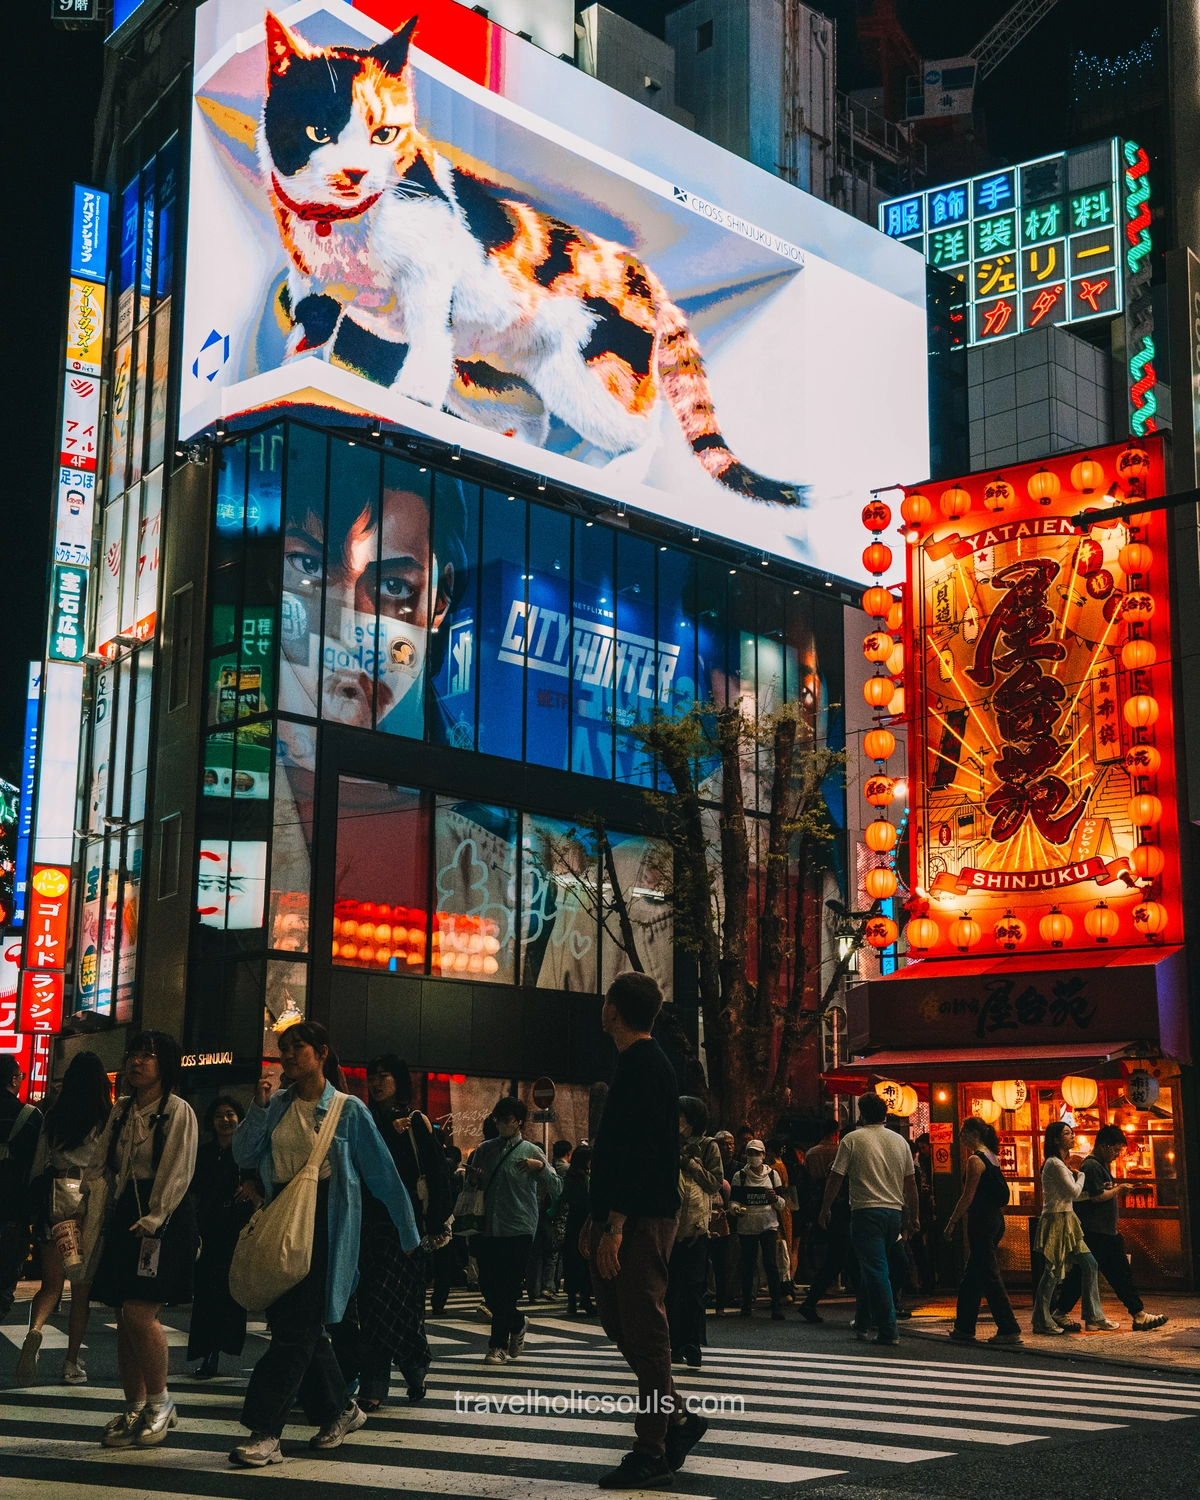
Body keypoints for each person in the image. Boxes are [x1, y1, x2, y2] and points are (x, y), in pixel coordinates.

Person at [230, 1021, 420, 1467]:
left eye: (298, 1047)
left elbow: (383, 1174)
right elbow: (243, 1154)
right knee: (299, 1327)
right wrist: (257, 1108)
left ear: (322, 1054)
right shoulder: (277, 1105)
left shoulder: (348, 1110)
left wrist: (408, 1232)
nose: (288, 1055)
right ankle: (339, 1409)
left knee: (294, 1331)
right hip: (282, 1218)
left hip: (325, 1223)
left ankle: (265, 1431)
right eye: (284, 1048)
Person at [583, 971, 702, 1490]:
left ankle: (651, 1449)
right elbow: (618, 1152)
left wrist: (615, 1223)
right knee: (618, 1322)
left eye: (605, 1001)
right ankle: (679, 1417)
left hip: (642, 1218)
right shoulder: (632, 1062)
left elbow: (640, 1152)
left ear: (613, 1010)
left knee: (646, 1332)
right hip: (620, 1216)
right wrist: (596, 1218)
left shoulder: (649, 1065)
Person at [85, 1032, 199, 1448]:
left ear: (165, 1064)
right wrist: (86, 1201)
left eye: (147, 1056)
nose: (136, 1062)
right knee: (123, 1315)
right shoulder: (121, 1110)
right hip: (127, 1216)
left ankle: (160, 1402)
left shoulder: (177, 1110)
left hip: (163, 1219)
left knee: (138, 1311)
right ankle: (134, 1406)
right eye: (132, 1054)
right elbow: (100, 1164)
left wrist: (155, 1215)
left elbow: (178, 1171)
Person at [13, 1051, 110, 1386]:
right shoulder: (106, 1118)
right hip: (89, 1208)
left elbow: (39, 1165)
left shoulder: (53, 1117)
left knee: (51, 1286)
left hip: (56, 1204)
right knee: (80, 1292)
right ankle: (71, 1363)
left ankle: (35, 1331)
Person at [467, 1095, 561, 1364]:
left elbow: (557, 1187)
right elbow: (471, 1188)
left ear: (519, 1122)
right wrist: (472, 1178)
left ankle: (497, 1346)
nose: (500, 1124)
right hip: (488, 1227)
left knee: (508, 1287)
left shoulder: (530, 1150)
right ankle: (518, 1322)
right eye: (497, 1119)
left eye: (506, 1119)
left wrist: (539, 1167)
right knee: (488, 1285)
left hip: (519, 1227)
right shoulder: (484, 1150)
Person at [818, 1093, 916, 1347]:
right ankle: (862, 1322)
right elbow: (910, 1183)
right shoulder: (900, 1141)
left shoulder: (852, 1139)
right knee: (873, 1267)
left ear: (862, 1114)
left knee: (875, 1269)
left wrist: (825, 1207)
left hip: (865, 1212)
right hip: (893, 1213)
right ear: (885, 1115)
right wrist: (914, 1215)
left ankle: (888, 1329)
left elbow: (836, 1177)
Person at [1051, 1124, 1168, 1333]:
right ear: (1104, 1146)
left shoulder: (1099, 1165)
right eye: (1115, 1150)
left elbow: (1096, 1192)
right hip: (1098, 1231)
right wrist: (1118, 1190)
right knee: (1117, 1273)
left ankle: (1062, 1312)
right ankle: (1137, 1314)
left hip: (1103, 1230)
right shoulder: (1092, 1166)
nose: (1117, 1155)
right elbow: (1096, 1197)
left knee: (1087, 1273)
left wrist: (1112, 1189)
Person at [365, 1054, 454, 1310]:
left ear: (399, 1081)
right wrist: (387, 1132)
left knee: (403, 1299)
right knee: (374, 1299)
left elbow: (436, 1174)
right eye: (372, 1078)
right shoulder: (367, 1120)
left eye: (383, 1077)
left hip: (407, 1221)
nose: (376, 1083)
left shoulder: (414, 1121)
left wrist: (435, 1223)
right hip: (371, 1221)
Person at [187, 1096, 261, 1378]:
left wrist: (251, 1187)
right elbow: (194, 1189)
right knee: (206, 1293)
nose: (225, 1120)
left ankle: (219, 1348)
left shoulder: (247, 1154)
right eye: (219, 1115)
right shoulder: (204, 1153)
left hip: (236, 1229)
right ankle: (208, 1351)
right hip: (208, 1229)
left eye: (230, 1114)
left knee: (230, 1291)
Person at [944, 1116, 1022, 1347]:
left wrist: (951, 1222)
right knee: (973, 1275)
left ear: (974, 1134)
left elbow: (967, 1196)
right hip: (995, 1219)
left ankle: (1009, 1328)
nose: (960, 1137)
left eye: (963, 1132)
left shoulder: (975, 1160)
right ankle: (964, 1326)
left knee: (988, 1275)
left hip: (981, 1221)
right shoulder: (992, 1157)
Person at [1032, 1120, 1108, 1335]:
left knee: (1089, 1264)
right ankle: (1041, 1319)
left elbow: (1071, 1196)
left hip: (1067, 1219)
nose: (1072, 1136)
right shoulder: (1054, 1164)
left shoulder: (1061, 1164)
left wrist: (1093, 1192)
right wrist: (1081, 1176)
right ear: (1056, 1139)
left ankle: (1094, 1316)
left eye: (1072, 1132)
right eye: (1067, 1133)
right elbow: (1073, 1192)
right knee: (1052, 1272)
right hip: (1056, 1219)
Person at [667, 1096, 723, 1367]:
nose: (677, 1119)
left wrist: (690, 1165)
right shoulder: (669, 1142)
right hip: (669, 1224)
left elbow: (715, 1183)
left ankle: (693, 1343)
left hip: (696, 1229)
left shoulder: (708, 1145)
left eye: (682, 1115)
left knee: (692, 1287)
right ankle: (672, 1343)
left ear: (693, 1118)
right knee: (670, 1289)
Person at [0, 1055, 43, 1323]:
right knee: (6, 1274)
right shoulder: (30, 1116)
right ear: (14, 1080)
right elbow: (39, 1164)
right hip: (14, 1207)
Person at [730, 1139, 787, 1321]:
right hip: (747, 1226)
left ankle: (776, 1305)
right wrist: (736, 1209)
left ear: (763, 1155)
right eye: (750, 1153)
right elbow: (734, 1201)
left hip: (768, 1225)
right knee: (748, 1264)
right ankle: (747, 1304)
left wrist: (774, 1198)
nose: (754, 1156)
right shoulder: (740, 1176)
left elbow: (782, 1204)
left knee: (770, 1263)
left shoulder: (773, 1176)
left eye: (757, 1153)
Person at [558, 1144, 595, 1316]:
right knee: (585, 1262)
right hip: (585, 1222)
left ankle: (571, 1301)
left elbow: (562, 1198)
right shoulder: (586, 1179)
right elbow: (590, 1201)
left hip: (571, 1223)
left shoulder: (568, 1177)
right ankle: (585, 1298)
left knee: (571, 1262)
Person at [708, 1131, 735, 1316]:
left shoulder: (724, 1183)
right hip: (704, 1225)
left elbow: (728, 1202)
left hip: (720, 1225)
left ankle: (721, 1304)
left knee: (721, 1265)